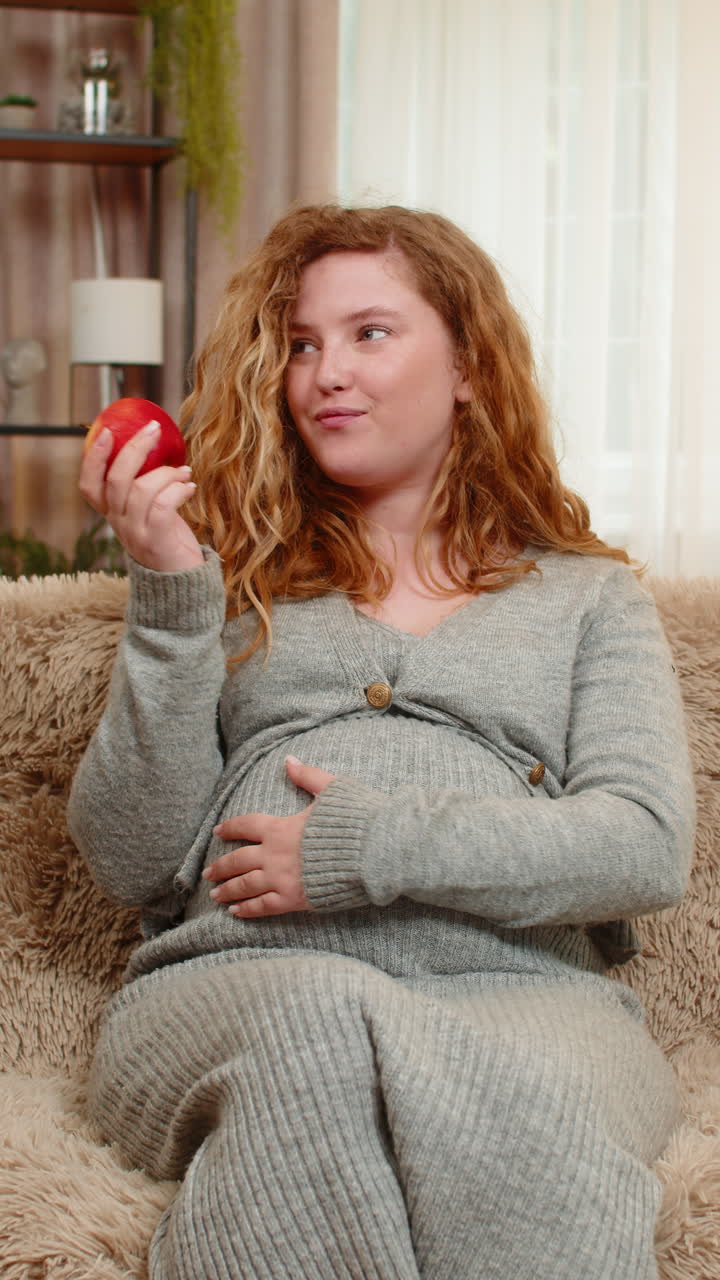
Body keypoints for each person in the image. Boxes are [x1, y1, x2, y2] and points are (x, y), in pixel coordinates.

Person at [68, 203, 696, 1280]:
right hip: (237, 985)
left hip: (530, 999)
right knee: (319, 1022)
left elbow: (642, 844)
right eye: (303, 344)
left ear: (466, 362)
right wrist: (172, 593)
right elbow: (131, 853)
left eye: (369, 333)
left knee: (492, 1080)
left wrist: (372, 845)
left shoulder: (590, 599)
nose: (325, 374)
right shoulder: (230, 577)